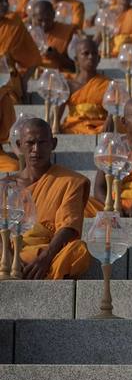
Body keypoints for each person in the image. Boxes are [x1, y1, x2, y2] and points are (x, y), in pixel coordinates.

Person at [9, 118, 93, 279]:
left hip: (48, 251)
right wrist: (10, 257)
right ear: (19, 146)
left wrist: (46, 257)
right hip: (10, 252)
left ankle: (41, 271)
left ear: (53, 144)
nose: (36, 149)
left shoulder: (70, 181)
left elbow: (69, 226)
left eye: (42, 142)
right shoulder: (6, 186)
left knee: (79, 251)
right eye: (30, 143)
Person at [0, 0, 40, 163]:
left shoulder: (14, 22)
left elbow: (33, 56)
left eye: (4, 1)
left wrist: (24, 80)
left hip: (6, 80)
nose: (2, 5)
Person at [57, 37, 111, 135]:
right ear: (76, 60)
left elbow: (115, 110)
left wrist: (110, 118)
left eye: (94, 54)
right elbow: (56, 116)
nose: (90, 57)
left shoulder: (108, 84)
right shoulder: (68, 85)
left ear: (99, 59)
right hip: (74, 128)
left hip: (100, 127)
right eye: (86, 53)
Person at [32, 1, 75, 73]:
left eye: (47, 20)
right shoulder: (27, 34)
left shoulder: (67, 31)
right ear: (33, 17)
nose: (43, 24)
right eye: (40, 20)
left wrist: (57, 56)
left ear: (54, 15)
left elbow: (76, 67)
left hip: (58, 78)